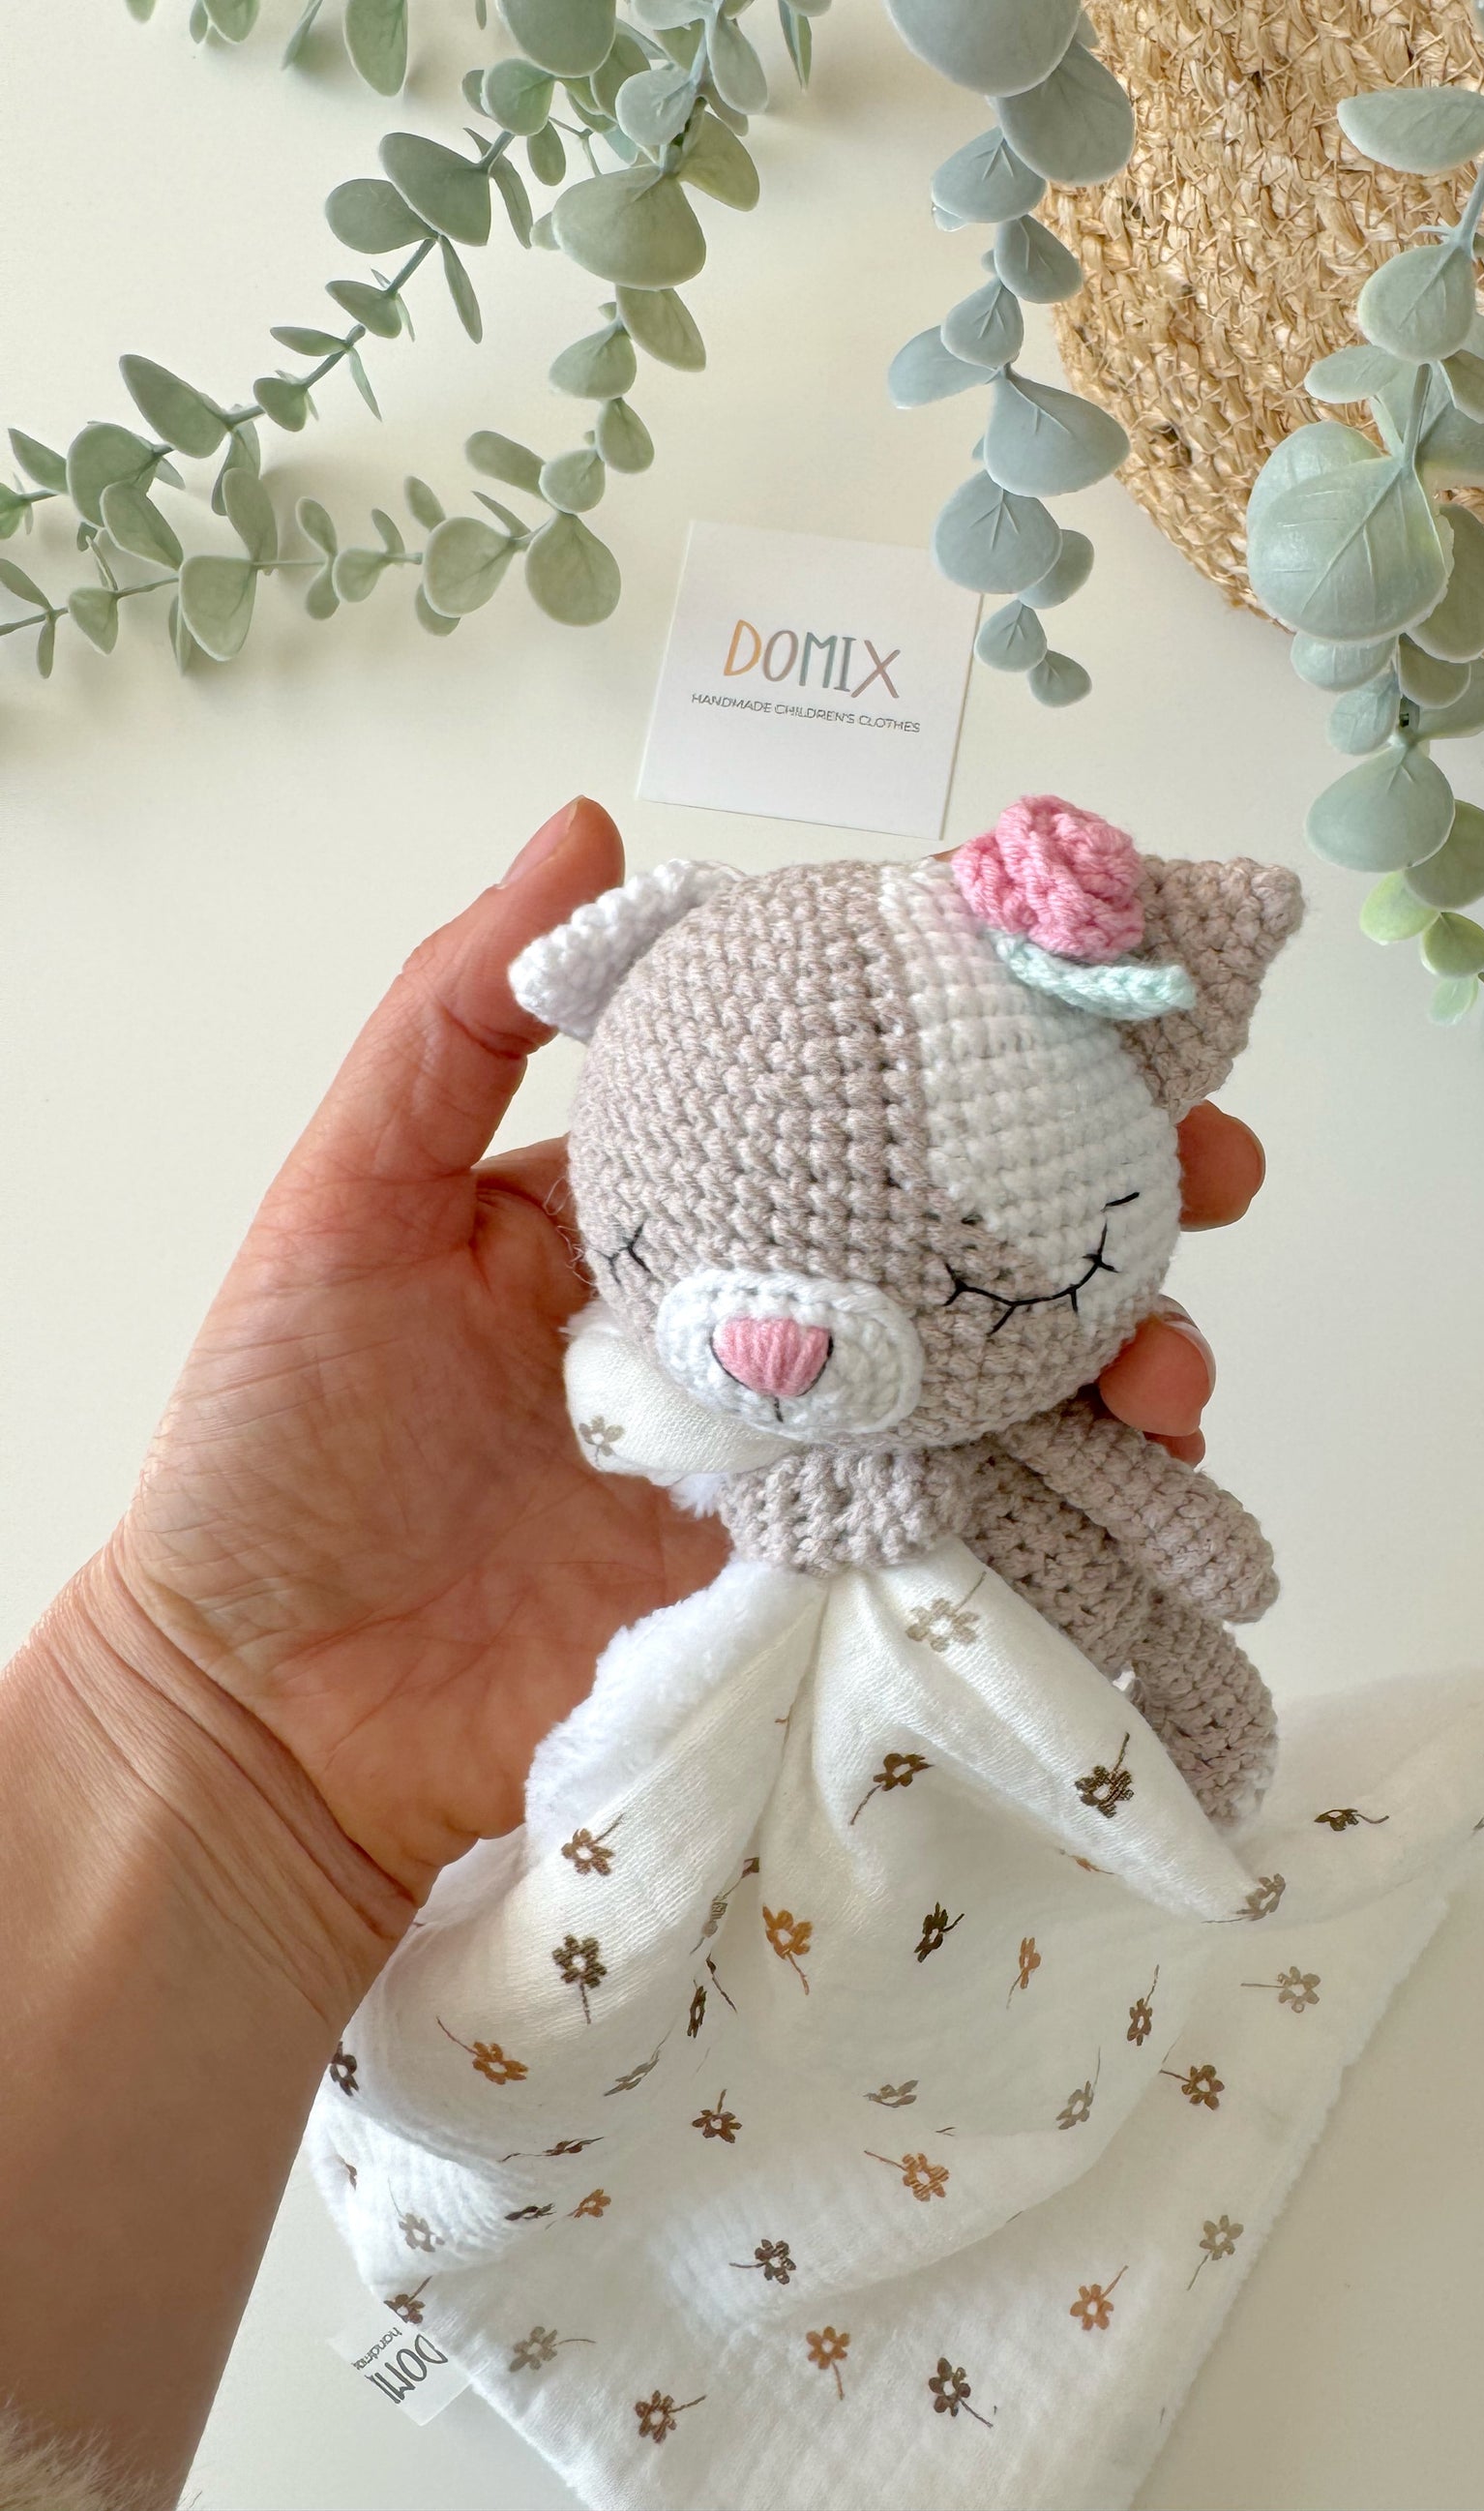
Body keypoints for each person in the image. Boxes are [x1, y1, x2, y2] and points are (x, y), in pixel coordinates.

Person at [0, 799, 1269, 2511]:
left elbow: (1186, 1558)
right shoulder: (626, 1406)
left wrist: (216, 1733)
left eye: (974, 1280)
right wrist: (216, 1720)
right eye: (671, 1259)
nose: (775, 1345)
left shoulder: (943, 1445)